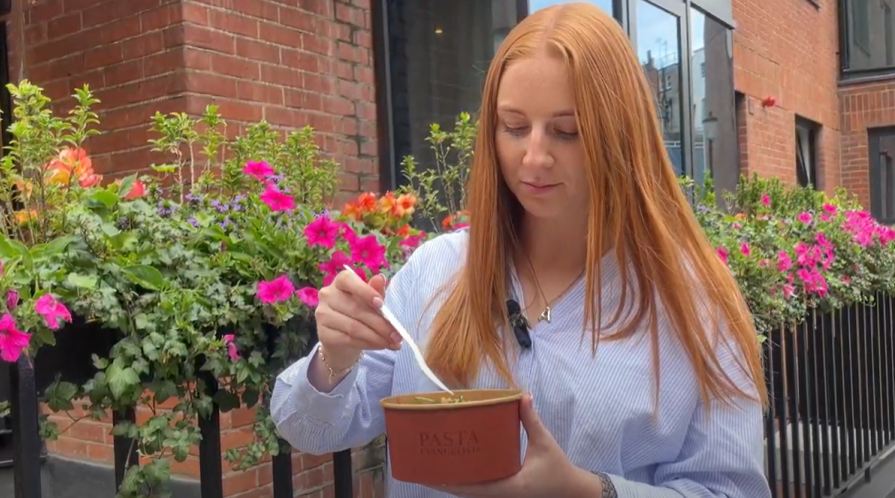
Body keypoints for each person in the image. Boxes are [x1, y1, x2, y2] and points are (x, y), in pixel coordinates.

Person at [270, 3, 769, 497]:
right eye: (513, 127)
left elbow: (733, 490)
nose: (533, 157)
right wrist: (335, 357)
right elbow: (309, 429)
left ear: (622, 135)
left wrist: (587, 491)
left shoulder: (693, 304)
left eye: (566, 131)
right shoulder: (435, 272)